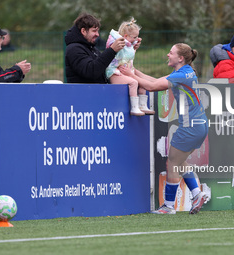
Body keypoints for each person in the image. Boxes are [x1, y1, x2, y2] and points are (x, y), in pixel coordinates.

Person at [119, 43, 209, 214]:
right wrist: (133, 71)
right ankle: (197, 194)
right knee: (180, 161)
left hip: (190, 127)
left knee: (173, 163)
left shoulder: (181, 75)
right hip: (199, 125)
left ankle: (168, 206)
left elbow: (152, 87)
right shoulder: (185, 71)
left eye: (171, 53)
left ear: (180, 58)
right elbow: (154, 80)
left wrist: (130, 75)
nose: (168, 55)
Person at [65, 13, 141, 84]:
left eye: (98, 31)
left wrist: (129, 49)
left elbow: (107, 67)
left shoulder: (92, 48)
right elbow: (91, 71)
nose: (97, 34)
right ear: (83, 31)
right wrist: (112, 50)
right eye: (94, 31)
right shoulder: (74, 49)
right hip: (83, 95)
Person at [106, 18, 154, 116]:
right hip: (114, 73)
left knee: (141, 82)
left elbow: (128, 56)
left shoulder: (127, 45)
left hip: (124, 72)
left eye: (137, 37)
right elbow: (123, 56)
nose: (136, 39)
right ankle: (134, 107)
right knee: (134, 82)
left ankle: (142, 105)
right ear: (126, 36)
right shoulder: (118, 44)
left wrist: (134, 45)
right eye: (134, 37)